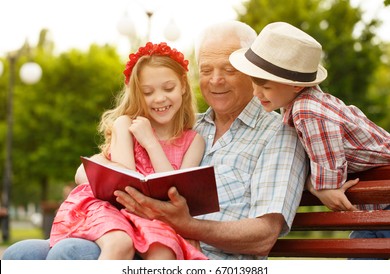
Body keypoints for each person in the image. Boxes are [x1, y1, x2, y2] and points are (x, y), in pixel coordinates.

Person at [2, 21, 308, 260]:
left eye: (228, 69)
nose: (215, 80)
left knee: (73, 255)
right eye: (206, 70)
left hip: (201, 258)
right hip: (134, 236)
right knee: (21, 254)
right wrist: (92, 168)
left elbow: (263, 235)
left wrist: (184, 225)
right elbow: (112, 164)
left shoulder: (278, 134)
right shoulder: (186, 126)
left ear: (250, 71)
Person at [229, 21, 390, 253]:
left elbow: (330, 188)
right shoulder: (303, 104)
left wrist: (314, 185)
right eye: (255, 84)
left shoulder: (308, 112)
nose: (256, 93)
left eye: (265, 86)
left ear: (295, 86)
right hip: (374, 206)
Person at [55, 42, 208, 260]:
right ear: (137, 93)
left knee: (164, 251)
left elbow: (174, 193)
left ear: (183, 86)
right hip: (115, 209)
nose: (159, 98)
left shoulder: (195, 141)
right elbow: (123, 185)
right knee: (119, 245)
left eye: (168, 88)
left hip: (157, 218)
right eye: (148, 92)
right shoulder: (126, 124)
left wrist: (151, 143)